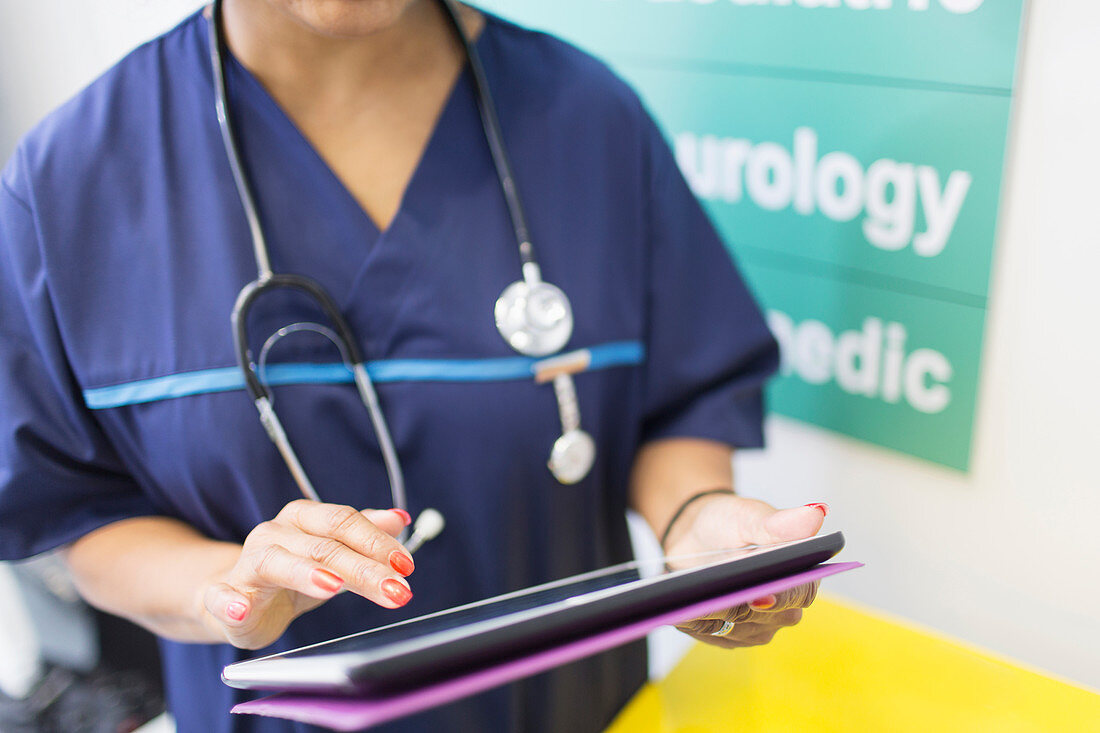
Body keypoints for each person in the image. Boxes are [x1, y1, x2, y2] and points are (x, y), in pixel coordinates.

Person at [0, 0, 828, 730]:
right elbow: (74, 506)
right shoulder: (76, 177)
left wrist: (699, 528)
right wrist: (225, 586)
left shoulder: (589, 120)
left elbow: (678, 406)